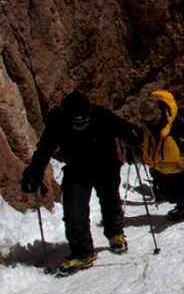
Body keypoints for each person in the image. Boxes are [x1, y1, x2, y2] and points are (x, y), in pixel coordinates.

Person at [20, 91, 141, 275]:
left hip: (105, 164)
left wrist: (134, 139)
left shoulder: (100, 115)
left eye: (84, 121)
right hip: (77, 169)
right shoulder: (58, 122)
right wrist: (34, 174)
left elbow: (123, 128)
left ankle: (115, 234)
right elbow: (44, 150)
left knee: (110, 200)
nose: (81, 126)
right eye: (76, 123)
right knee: (74, 212)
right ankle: (82, 252)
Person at [138, 90, 184, 221]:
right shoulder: (148, 125)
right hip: (159, 165)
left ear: (158, 114)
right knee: (168, 196)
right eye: (145, 121)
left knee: (181, 194)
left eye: (150, 121)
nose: (148, 124)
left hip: (179, 163)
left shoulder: (177, 123)